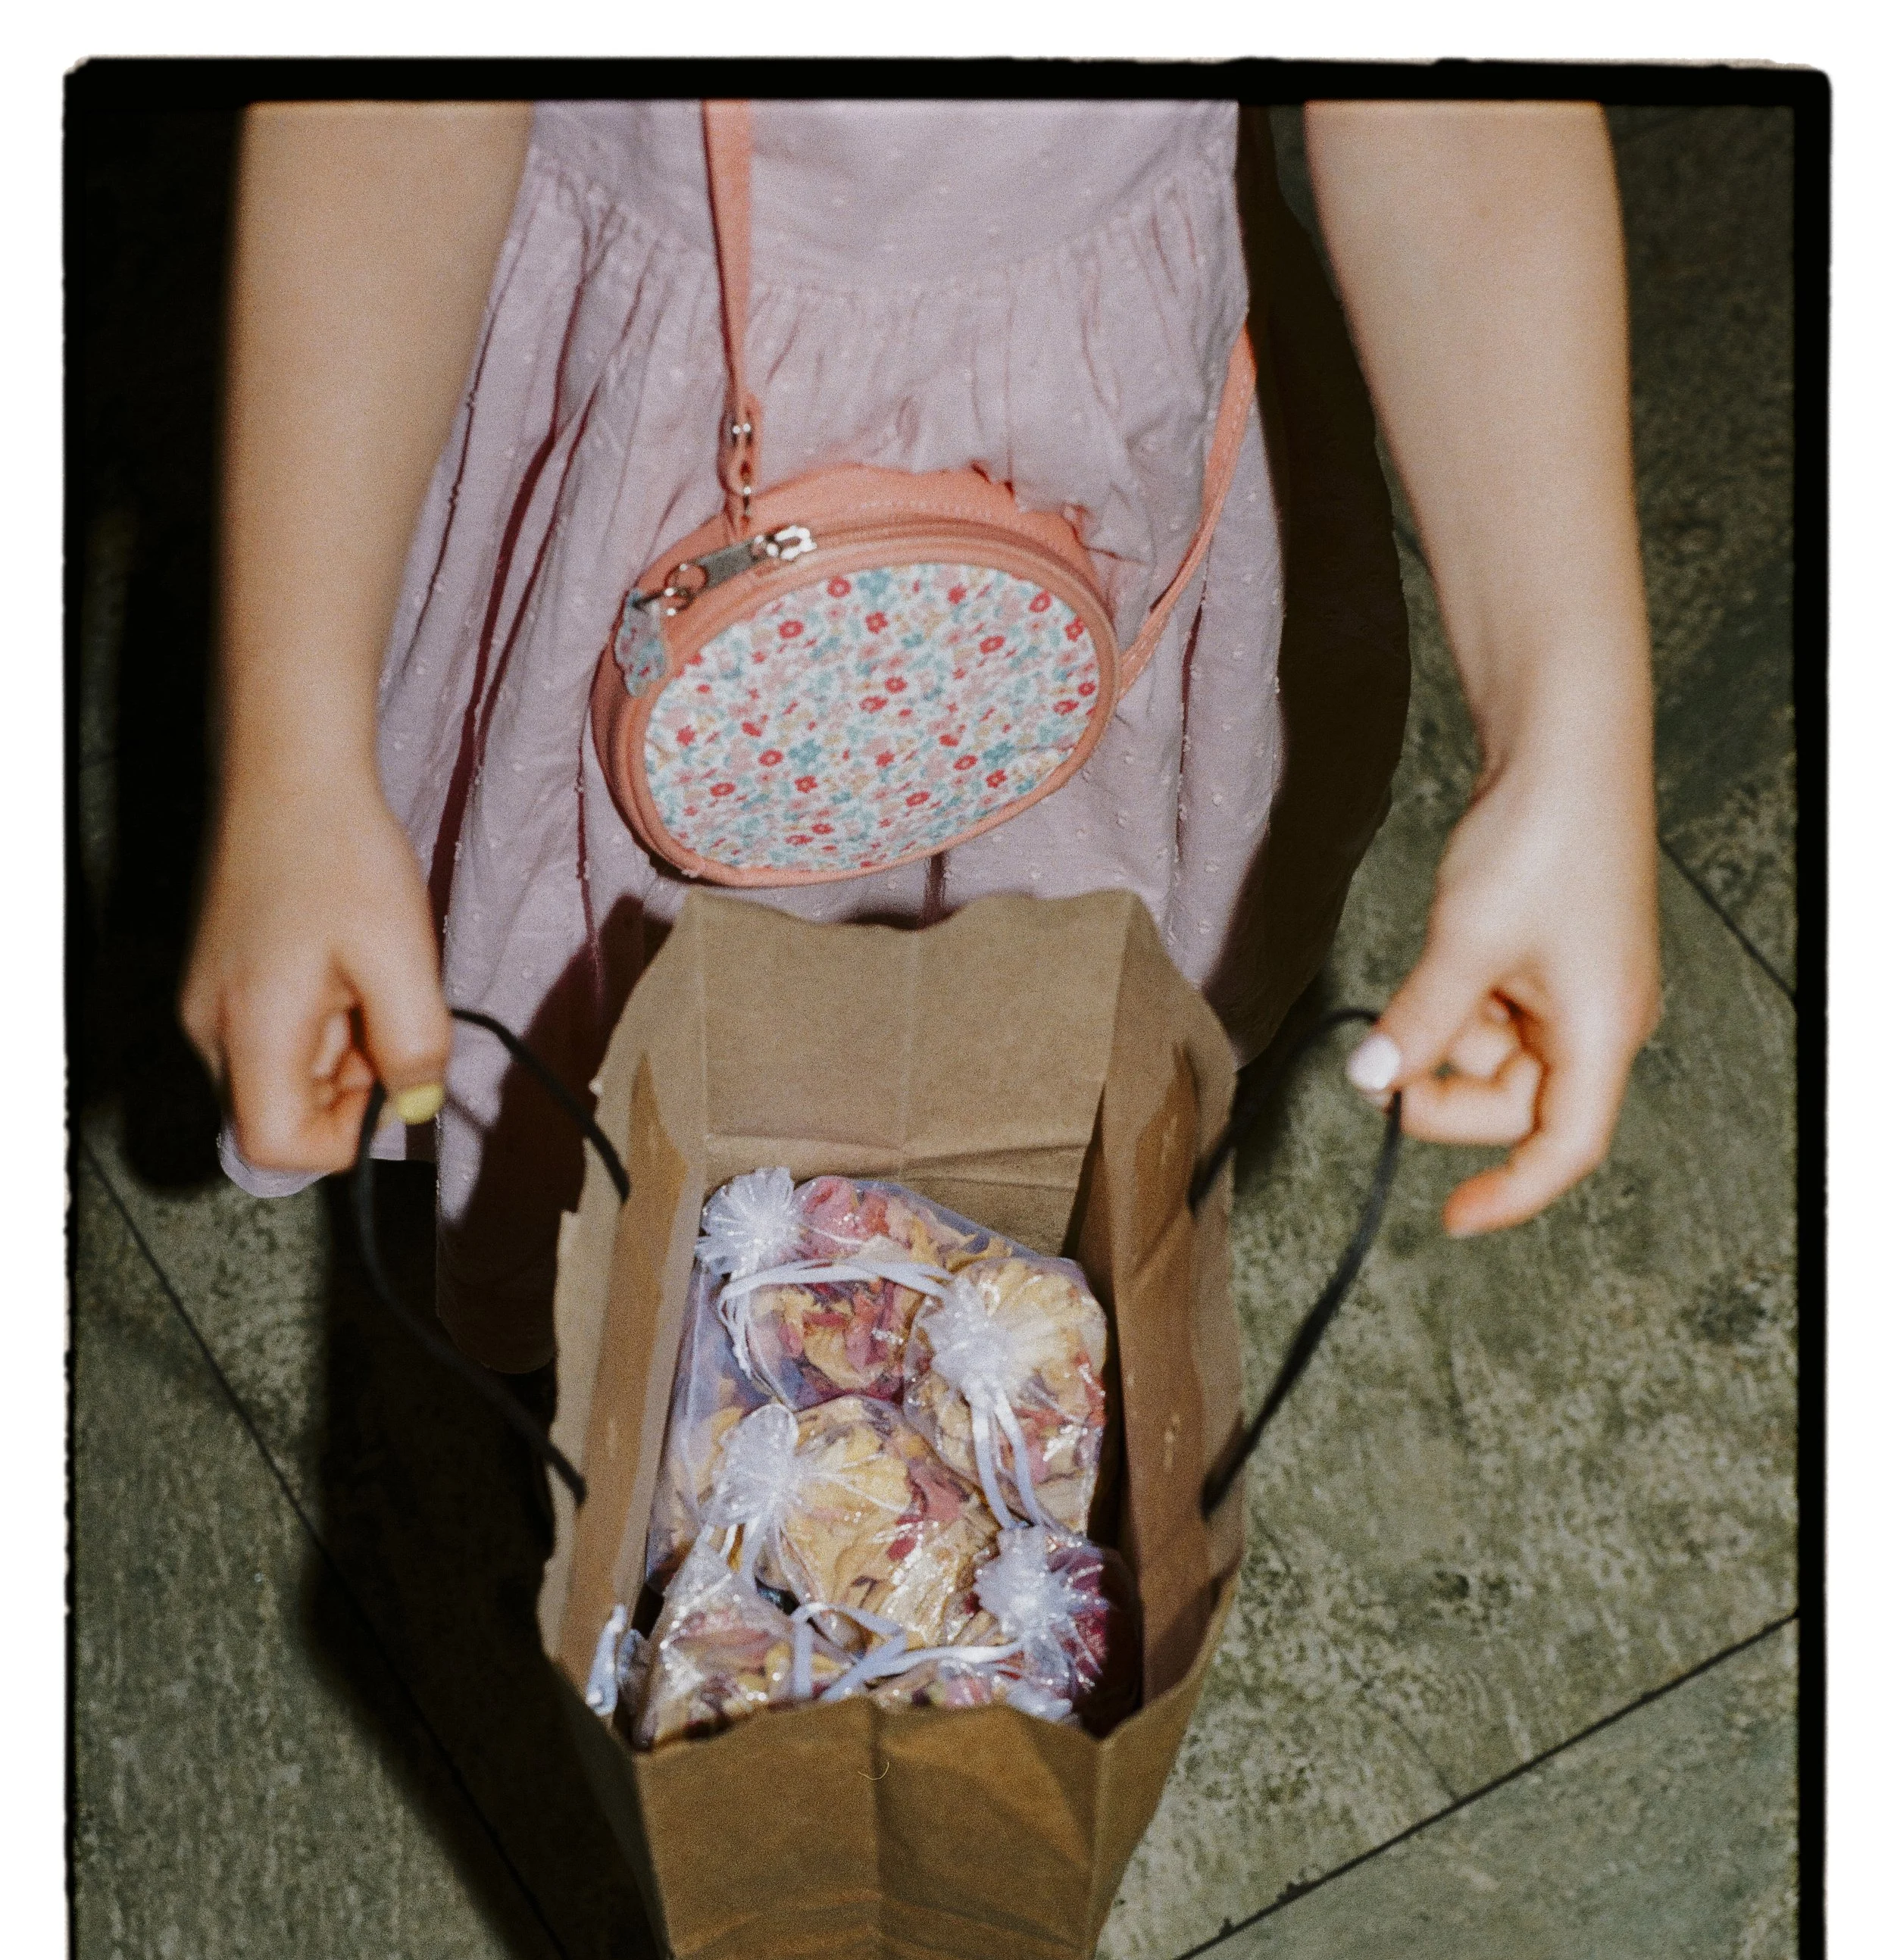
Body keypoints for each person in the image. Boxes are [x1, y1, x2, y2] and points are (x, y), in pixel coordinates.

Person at [181, 97, 1660, 1377]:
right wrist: (297, 756)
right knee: (620, 1049)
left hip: (1099, 427)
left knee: (1038, 1029)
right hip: (637, 407)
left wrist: (1568, 729)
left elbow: (1455, 97)